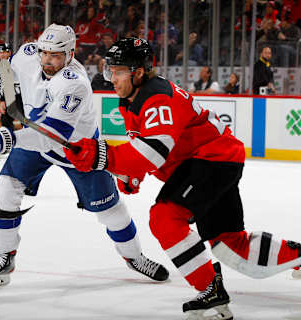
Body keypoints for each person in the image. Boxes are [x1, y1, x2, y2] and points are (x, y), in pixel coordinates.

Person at [63, 38, 301, 320]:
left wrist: (102, 157)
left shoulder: (156, 97)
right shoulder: (130, 100)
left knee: (165, 218)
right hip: (215, 159)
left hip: (210, 159)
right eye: (110, 71)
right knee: (229, 245)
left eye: (118, 71)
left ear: (138, 72)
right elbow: (144, 147)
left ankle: (210, 291)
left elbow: (152, 152)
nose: (112, 78)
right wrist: (132, 173)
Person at [0, 24, 169, 287]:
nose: (47, 60)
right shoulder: (29, 53)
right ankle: (4, 256)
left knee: (111, 212)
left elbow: (51, 135)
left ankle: (134, 257)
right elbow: (7, 72)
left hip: (77, 149)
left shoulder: (75, 84)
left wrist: (2, 139)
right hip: (34, 141)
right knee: (5, 188)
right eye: (44, 53)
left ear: (70, 54)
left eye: (55, 56)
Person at [0, 42, 15, 132]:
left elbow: (8, 84)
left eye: (5, 52)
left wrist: (2, 100)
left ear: (10, 53)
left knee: (6, 121)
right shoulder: (0, 65)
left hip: (14, 96)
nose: (2, 54)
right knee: (6, 121)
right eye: (1, 52)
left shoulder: (11, 63)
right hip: (10, 96)